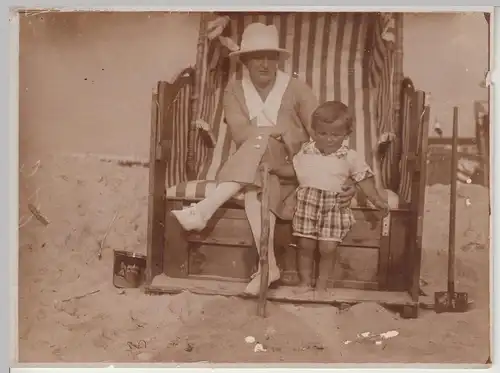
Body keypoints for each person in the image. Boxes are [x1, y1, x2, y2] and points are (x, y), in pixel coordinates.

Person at [170, 22, 358, 295]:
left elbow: (323, 132)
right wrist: (275, 134)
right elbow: (240, 134)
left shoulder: (296, 88)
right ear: (245, 60)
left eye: (271, 57)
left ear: (278, 60)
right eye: (258, 56)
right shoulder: (234, 90)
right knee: (255, 186)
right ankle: (267, 266)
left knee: (261, 145)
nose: (264, 64)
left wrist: (343, 174)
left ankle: (204, 209)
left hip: (294, 167)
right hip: (259, 170)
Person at [271, 101, 390, 294]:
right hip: (307, 204)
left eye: (335, 135)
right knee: (305, 245)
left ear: (346, 135)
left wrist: (376, 200)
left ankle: (322, 285)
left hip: (332, 206)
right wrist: (274, 169)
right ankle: (305, 282)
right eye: (322, 134)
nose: (328, 139)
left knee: (328, 248)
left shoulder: (349, 156)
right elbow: (294, 170)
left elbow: (364, 179)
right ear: (314, 132)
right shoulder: (306, 151)